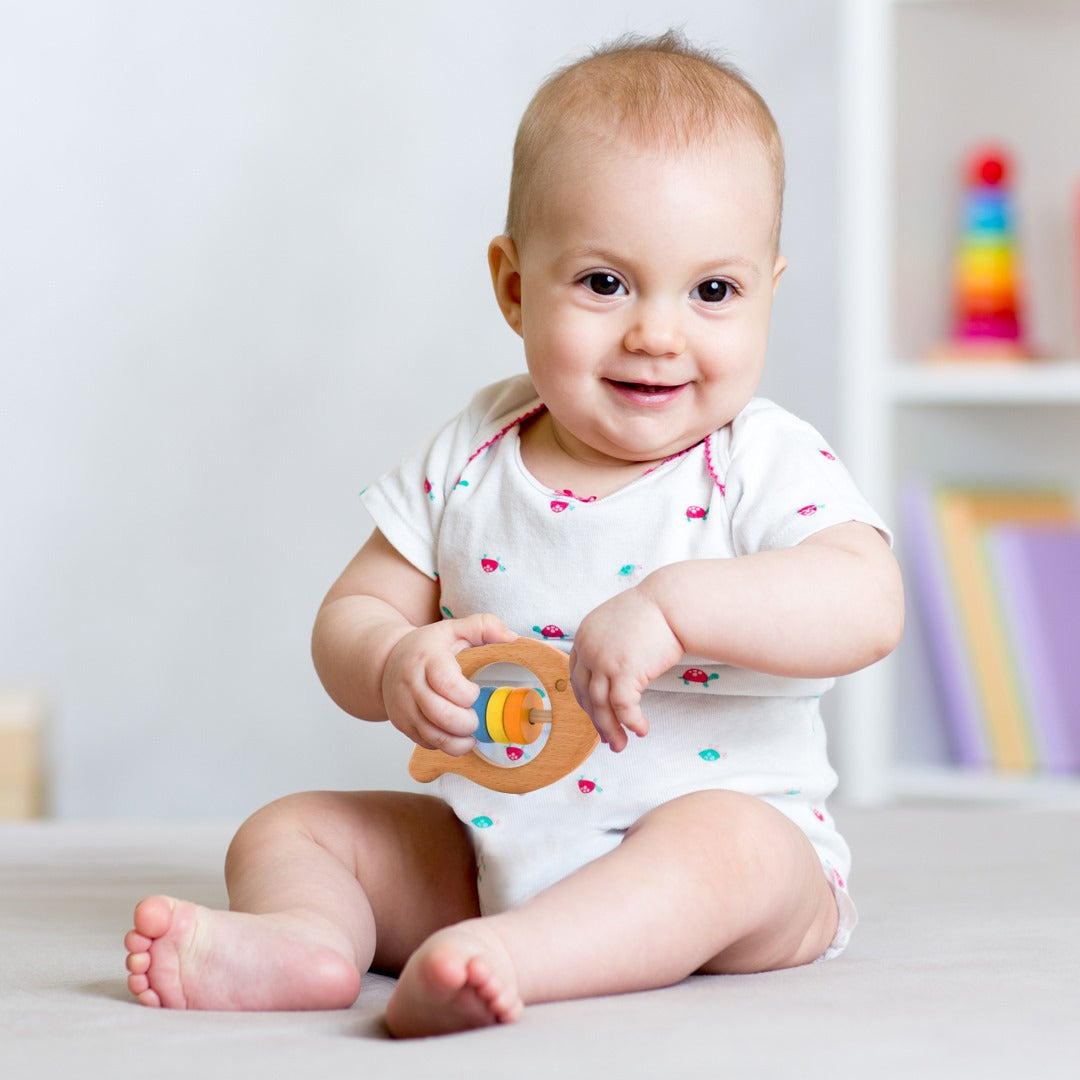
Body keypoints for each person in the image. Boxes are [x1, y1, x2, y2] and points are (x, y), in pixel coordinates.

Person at [124, 30, 903, 1037]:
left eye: (712, 291)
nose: (657, 334)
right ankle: (308, 939)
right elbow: (352, 612)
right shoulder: (472, 452)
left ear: (766, 292)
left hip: (729, 862)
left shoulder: (757, 460)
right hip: (496, 848)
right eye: (604, 283)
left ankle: (512, 959)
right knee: (296, 827)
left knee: (727, 851)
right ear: (513, 285)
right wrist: (394, 656)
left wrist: (677, 606)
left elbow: (865, 600)